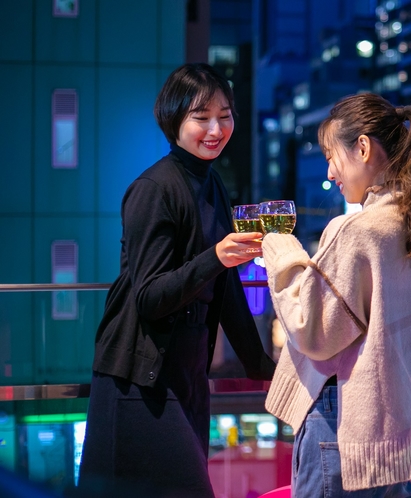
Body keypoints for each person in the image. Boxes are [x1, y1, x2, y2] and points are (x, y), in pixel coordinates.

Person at [77, 63, 276, 498]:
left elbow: (226, 294)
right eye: (200, 117)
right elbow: (149, 297)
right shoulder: (154, 188)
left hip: (185, 372)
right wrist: (216, 257)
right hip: (140, 377)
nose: (216, 128)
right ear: (173, 119)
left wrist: (261, 367)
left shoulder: (213, 185)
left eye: (224, 116)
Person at [261, 93, 411, 497]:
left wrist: (280, 250)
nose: (330, 171)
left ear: (362, 147)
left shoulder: (357, 231)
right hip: (393, 424)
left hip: (342, 418)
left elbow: (313, 331)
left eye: (331, 155)